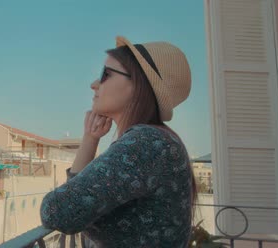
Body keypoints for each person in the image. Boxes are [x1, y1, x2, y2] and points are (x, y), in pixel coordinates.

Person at [40, 36, 197, 247]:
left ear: (138, 85)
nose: (93, 84)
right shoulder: (157, 141)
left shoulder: (147, 143)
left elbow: (58, 211)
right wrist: (90, 139)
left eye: (105, 75)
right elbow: (77, 199)